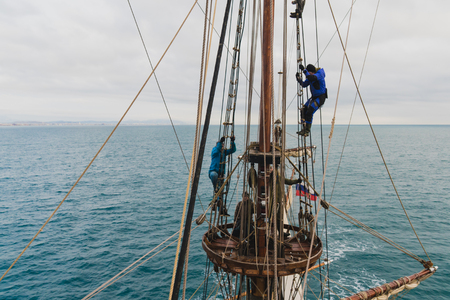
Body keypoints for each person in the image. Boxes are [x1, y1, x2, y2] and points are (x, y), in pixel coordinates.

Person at [295, 64, 327, 136]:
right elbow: (304, 84)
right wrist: (299, 79)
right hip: (314, 97)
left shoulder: (319, 74)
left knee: (310, 111)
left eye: (309, 72)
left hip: (320, 97)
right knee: (303, 110)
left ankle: (307, 131)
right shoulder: (310, 77)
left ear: (312, 72)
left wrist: (304, 70)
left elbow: (311, 78)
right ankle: (304, 128)